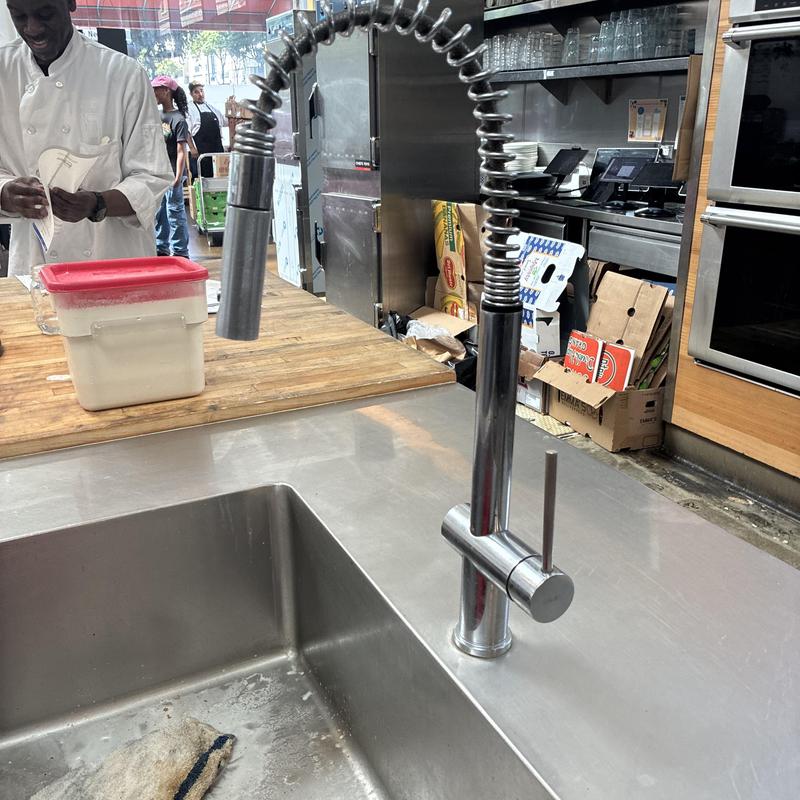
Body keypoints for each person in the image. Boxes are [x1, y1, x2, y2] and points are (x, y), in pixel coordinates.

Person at [0, 0, 172, 277]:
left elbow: (153, 177)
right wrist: (6, 194)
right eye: (19, 16)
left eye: (45, 14)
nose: (32, 28)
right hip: (35, 261)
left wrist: (97, 203)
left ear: (70, 3)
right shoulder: (3, 72)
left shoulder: (123, 74)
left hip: (113, 259)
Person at [152, 76, 190, 259]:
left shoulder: (178, 119)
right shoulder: (156, 116)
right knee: (160, 213)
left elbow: (181, 150)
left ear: (166, 90)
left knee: (175, 212)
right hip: (159, 173)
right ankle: (162, 248)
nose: (153, 93)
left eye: (156, 89)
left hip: (173, 173)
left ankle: (181, 251)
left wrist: (178, 175)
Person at [187, 81, 226, 179]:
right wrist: (192, 148)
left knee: (218, 180)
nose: (200, 94)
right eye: (196, 92)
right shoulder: (189, 109)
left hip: (217, 151)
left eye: (201, 91)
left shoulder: (211, 108)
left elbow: (225, 121)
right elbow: (186, 131)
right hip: (201, 154)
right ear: (191, 94)